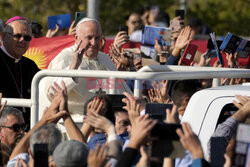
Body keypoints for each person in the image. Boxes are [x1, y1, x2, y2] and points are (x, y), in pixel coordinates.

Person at [44, 17, 131, 118]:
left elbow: (123, 90)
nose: (94, 43)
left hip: (108, 118)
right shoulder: (65, 57)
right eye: (89, 38)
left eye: (97, 38)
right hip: (77, 119)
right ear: (76, 38)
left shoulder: (104, 58)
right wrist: (74, 67)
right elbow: (51, 93)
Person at [0, 16, 39, 99]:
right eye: (17, 36)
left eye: (27, 38)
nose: (22, 40)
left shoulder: (31, 65)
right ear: (3, 36)